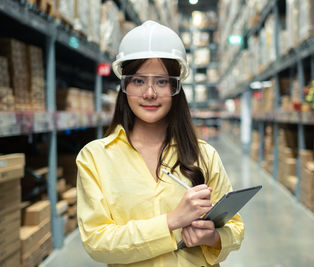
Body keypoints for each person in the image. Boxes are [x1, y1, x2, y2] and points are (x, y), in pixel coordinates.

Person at [76, 20, 244, 267]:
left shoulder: (204, 155)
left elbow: (236, 227)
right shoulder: (95, 157)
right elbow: (97, 241)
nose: (150, 93)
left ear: (176, 87)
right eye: (138, 81)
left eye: (162, 81)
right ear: (124, 87)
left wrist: (213, 236)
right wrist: (171, 221)